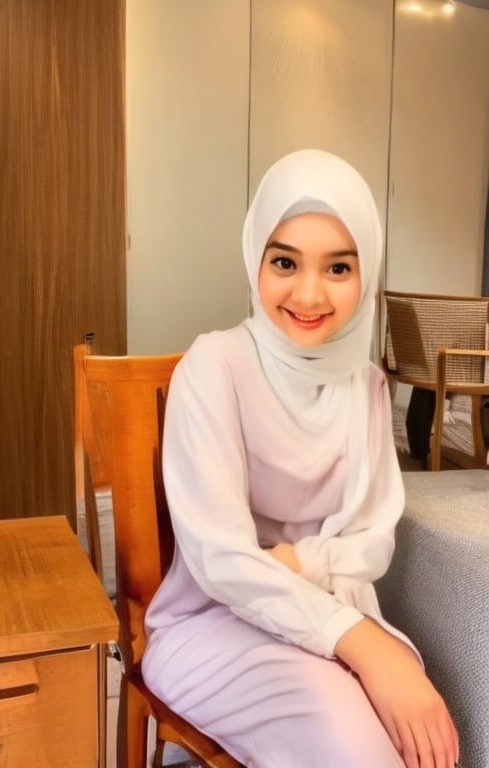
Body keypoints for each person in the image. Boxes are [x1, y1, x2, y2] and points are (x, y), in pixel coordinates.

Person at [142, 149, 459, 768]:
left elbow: (375, 541)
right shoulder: (216, 367)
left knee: (421, 743)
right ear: (255, 255)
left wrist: (301, 561)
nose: (309, 293)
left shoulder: (365, 385)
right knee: (361, 750)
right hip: (210, 626)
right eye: (285, 261)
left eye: (338, 267)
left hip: (334, 618)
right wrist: (362, 643)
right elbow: (222, 562)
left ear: (365, 274)